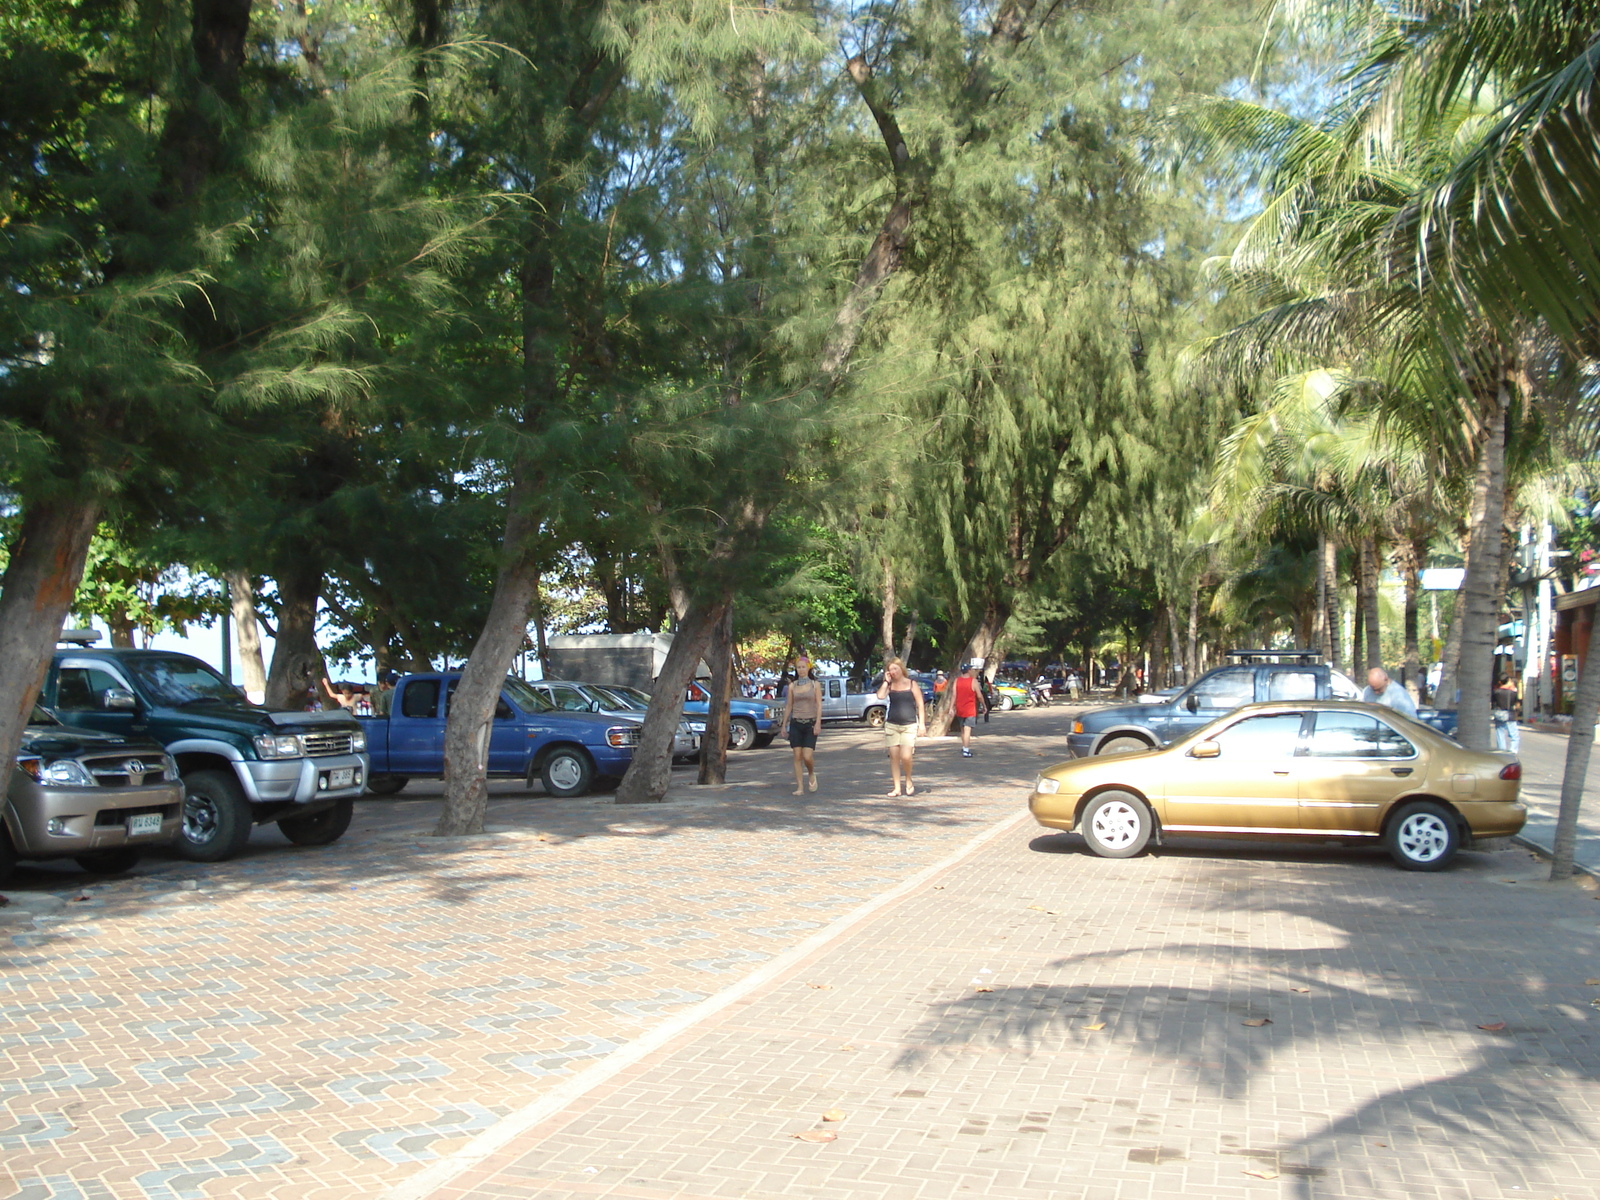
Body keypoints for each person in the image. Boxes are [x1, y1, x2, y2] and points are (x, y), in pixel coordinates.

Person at [876, 657, 926, 797]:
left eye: (895, 669)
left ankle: (908, 779)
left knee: (906, 756)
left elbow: (920, 704)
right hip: (892, 724)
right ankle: (897, 788)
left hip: (909, 725)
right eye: (890, 670)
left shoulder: (911, 684)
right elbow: (880, 696)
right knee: (894, 757)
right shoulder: (890, 685)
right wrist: (886, 681)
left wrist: (922, 724)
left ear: (901, 669)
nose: (893, 672)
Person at [778, 655, 823, 795]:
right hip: (796, 723)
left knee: (807, 756)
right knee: (797, 755)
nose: (801, 670)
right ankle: (800, 787)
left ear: (808, 668)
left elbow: (819, 705)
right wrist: (784, 725)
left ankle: (811, 773)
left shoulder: (815, 685)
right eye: (798, 667)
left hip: (810, 723)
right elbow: (789, 706)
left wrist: (818, 723)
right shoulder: (792, 686)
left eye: (803, 667)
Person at [951, 661, 986, 757]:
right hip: (970, 709)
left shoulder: (957, 681)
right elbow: (979, 695)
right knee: (967, 730)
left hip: (959, 708)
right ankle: (966, 750)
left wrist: (951, 707)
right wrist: (984, 705)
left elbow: (954, 695)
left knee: (962, 729)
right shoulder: (973, 681)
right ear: (969, 670)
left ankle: (964, 746)